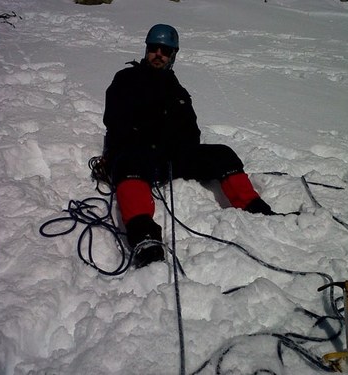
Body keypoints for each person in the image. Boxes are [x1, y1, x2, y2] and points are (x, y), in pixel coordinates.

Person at [101, 24, 276, 268]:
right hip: (134, 155)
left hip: (168, 157)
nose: (158, 54)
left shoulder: (177, 90)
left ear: (173, 55)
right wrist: (146, 135)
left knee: (222, 154)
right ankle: (145, 237)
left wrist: (175, 144)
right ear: (147, 50)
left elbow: (191, 131)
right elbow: (115, 120)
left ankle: (255, 208)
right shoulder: (126, 79)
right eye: (154, 48)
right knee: (131, 158)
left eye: (165, 50)